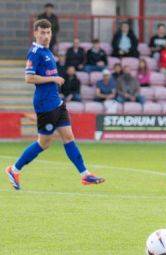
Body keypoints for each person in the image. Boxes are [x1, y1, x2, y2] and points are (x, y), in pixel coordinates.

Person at [5, 19, 104, 189]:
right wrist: (53, 78)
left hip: (57, 102)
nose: (45, 36)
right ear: (35, 33)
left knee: (68, 137)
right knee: (44, 143)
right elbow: (28, 78)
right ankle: (14, 169)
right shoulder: (34, 52)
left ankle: (85, 175)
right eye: (42, 32)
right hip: (45, 104)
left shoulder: (48, 52)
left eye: (48, 32)